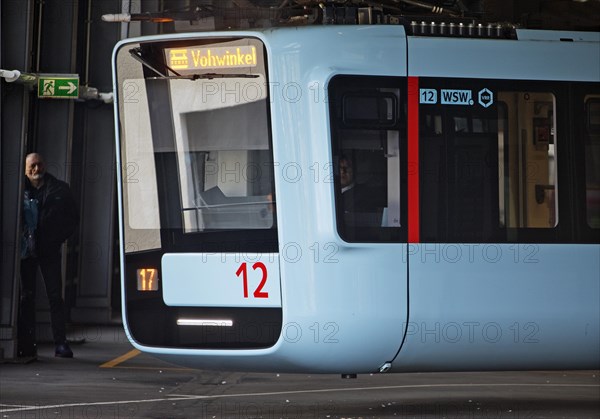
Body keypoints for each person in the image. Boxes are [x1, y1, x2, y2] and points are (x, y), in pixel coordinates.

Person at [18, 153, 79, 358]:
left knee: (55, 297)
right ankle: (26, 343)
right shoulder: (18, 190)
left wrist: (57, 238)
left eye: (39, 164)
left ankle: (60, 343)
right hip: (25, 252)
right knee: (27, 297)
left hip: (49, 250)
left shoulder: (59, 188)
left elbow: (73, 218)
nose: (36, 169)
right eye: (32, 166)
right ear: (25, 168)